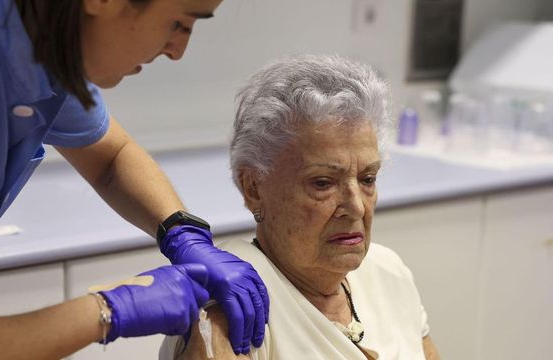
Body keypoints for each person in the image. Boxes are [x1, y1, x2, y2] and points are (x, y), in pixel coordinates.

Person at [0, 0, 269, 358]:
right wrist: (107, 310)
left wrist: (181, 232)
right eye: (179, 24)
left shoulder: (39, 42)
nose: (177, 51)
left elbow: (110, 158)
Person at [160, 54, 441, 359]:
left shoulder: (388, 272)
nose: (356, 207)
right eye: (322, 183)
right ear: (253, 186)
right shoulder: (233, 306)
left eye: (367, 178)